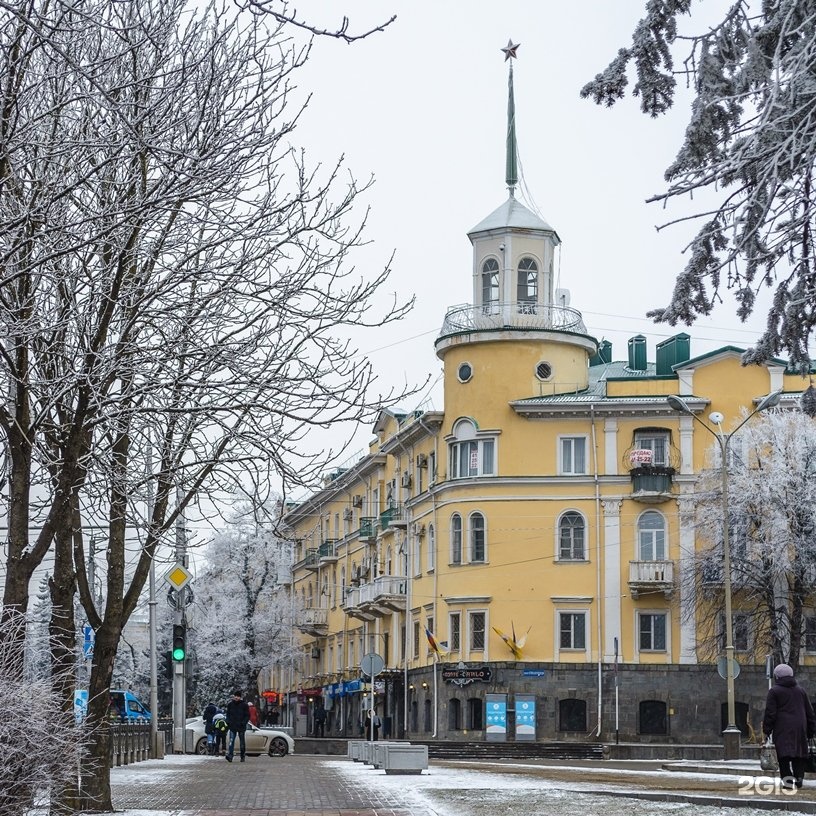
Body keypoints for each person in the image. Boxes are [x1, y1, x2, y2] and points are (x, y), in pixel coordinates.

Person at [763, 663, 816, 789]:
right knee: (799, 754)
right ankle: (799, 778)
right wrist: (811, 730)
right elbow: (810, 712)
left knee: (783, 756)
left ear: (777, 677)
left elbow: (771, 713)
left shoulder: (774, 691)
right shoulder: (800, 691)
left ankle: (787, 781)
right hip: (800, 727)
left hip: (782, 728)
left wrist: (767, 730)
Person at [225, 689, 251, 762]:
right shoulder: (230, 705)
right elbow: (228, 714)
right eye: (235, 696)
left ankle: (242, 756)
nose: (236, 697)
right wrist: (228, 721)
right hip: (232, 726)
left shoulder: (244, 705)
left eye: (238, 696)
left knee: (242, 742)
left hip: (241, 727)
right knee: (231, 741)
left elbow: (247, 715)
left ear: (240, 697)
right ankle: (230, 755)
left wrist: (243, 722)